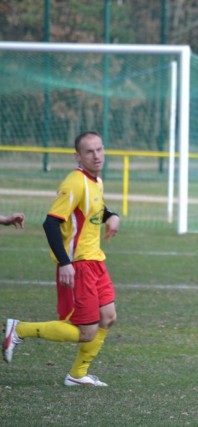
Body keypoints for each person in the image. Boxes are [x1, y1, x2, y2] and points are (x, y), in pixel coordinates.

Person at [3, 131, 119, 387]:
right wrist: (65, 263)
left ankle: (78, 375)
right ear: (77, 156)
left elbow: (97, 207)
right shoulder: (74, 183)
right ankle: (19, 329)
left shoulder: (96, 180)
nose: (97, 155)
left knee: (108, 316)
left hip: (96, 261)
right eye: (89, 151)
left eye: (100, 149)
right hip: (78, 265)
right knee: (85, 331)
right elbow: (51, 224)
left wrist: (113, 215)